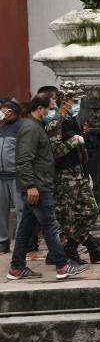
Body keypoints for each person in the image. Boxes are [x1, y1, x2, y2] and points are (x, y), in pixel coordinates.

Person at [6, 93, 88, 280]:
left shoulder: (37, 126)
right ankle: (62, 265)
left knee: (26, 227)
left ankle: (17, 267)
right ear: (40, 108)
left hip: (38, 184)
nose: (53, 111)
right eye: (51, 108)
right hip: (37, 186)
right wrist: (31, 187)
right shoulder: (31, 129)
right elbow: (24, 160)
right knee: (50, 224)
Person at [46, 81, 100, 265]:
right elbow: (54, 151)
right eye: (75, 100)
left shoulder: (73, 120)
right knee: (65, 218)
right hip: (64, 177)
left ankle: (71, 247)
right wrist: (74, 142)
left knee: (90, 212)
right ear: (64, 102)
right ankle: (64, 257)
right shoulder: (55, 123)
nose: (78, 103)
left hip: (79, 173)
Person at [0, 97, 24, 254]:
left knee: (22, 211)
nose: (1, 112)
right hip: (1, 176)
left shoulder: (22, 127)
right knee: (1, 210)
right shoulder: (2, 127)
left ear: (11, 110)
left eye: (2, 109)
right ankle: (3, 241)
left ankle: (23, 243)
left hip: (17, 175)